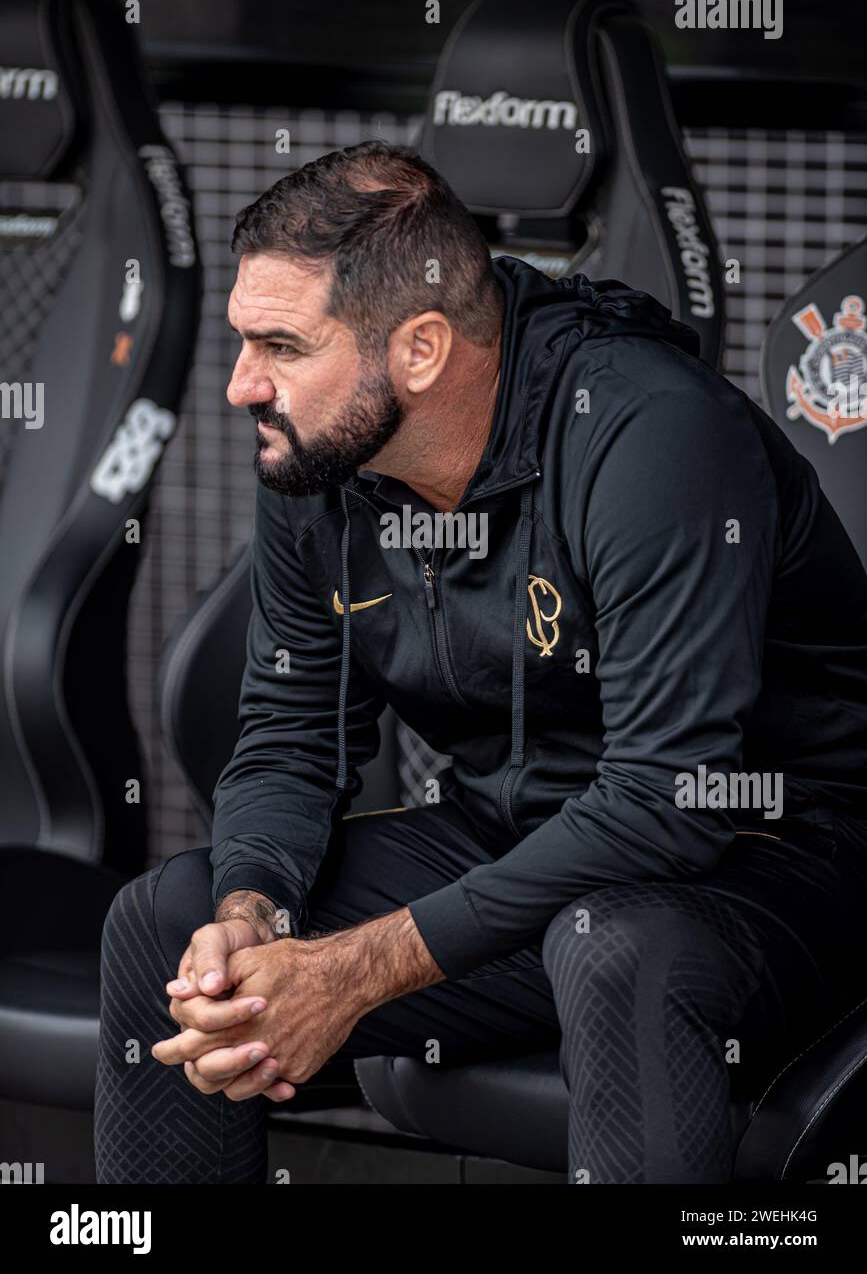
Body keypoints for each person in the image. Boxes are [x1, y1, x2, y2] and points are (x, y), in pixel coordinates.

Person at [95, 141, 867, 1184]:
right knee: (168, 929)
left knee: (613, 947)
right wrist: (254, 917)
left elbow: (663, 802)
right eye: (243, 340)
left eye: (281, 345)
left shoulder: (652, 431)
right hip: (520, 841)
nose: (241, 387)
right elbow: (289, 732)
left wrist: (355, 970)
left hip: (772, 859)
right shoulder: (317, 455)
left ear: (419, 349)